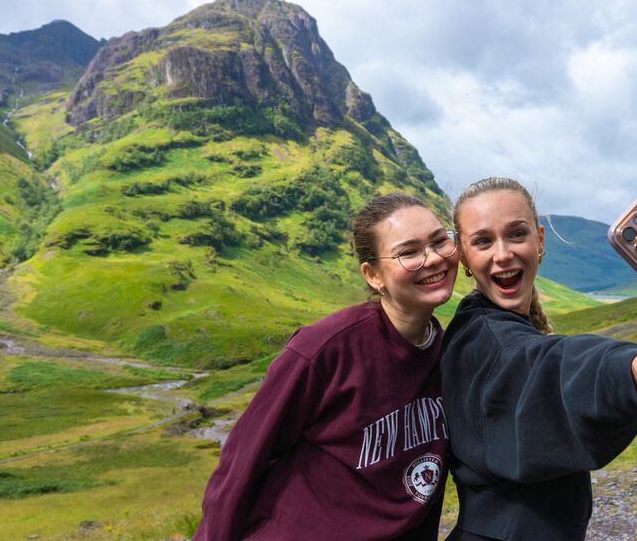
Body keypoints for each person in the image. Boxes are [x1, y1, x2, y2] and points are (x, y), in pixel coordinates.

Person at [441, 177, 637, 541]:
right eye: (482, 241)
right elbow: (546, 372)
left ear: (540, 240)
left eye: (516, 234)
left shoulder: (496, 325)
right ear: (463, 255)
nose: (502, 254)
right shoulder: (481, 339)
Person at [196, 193, 460, 540]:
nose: (434, 258)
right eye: (409, 252)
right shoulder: (325, 349)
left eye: (440, 241)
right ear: (373, 275)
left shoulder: (452, 355)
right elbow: (242, 461)